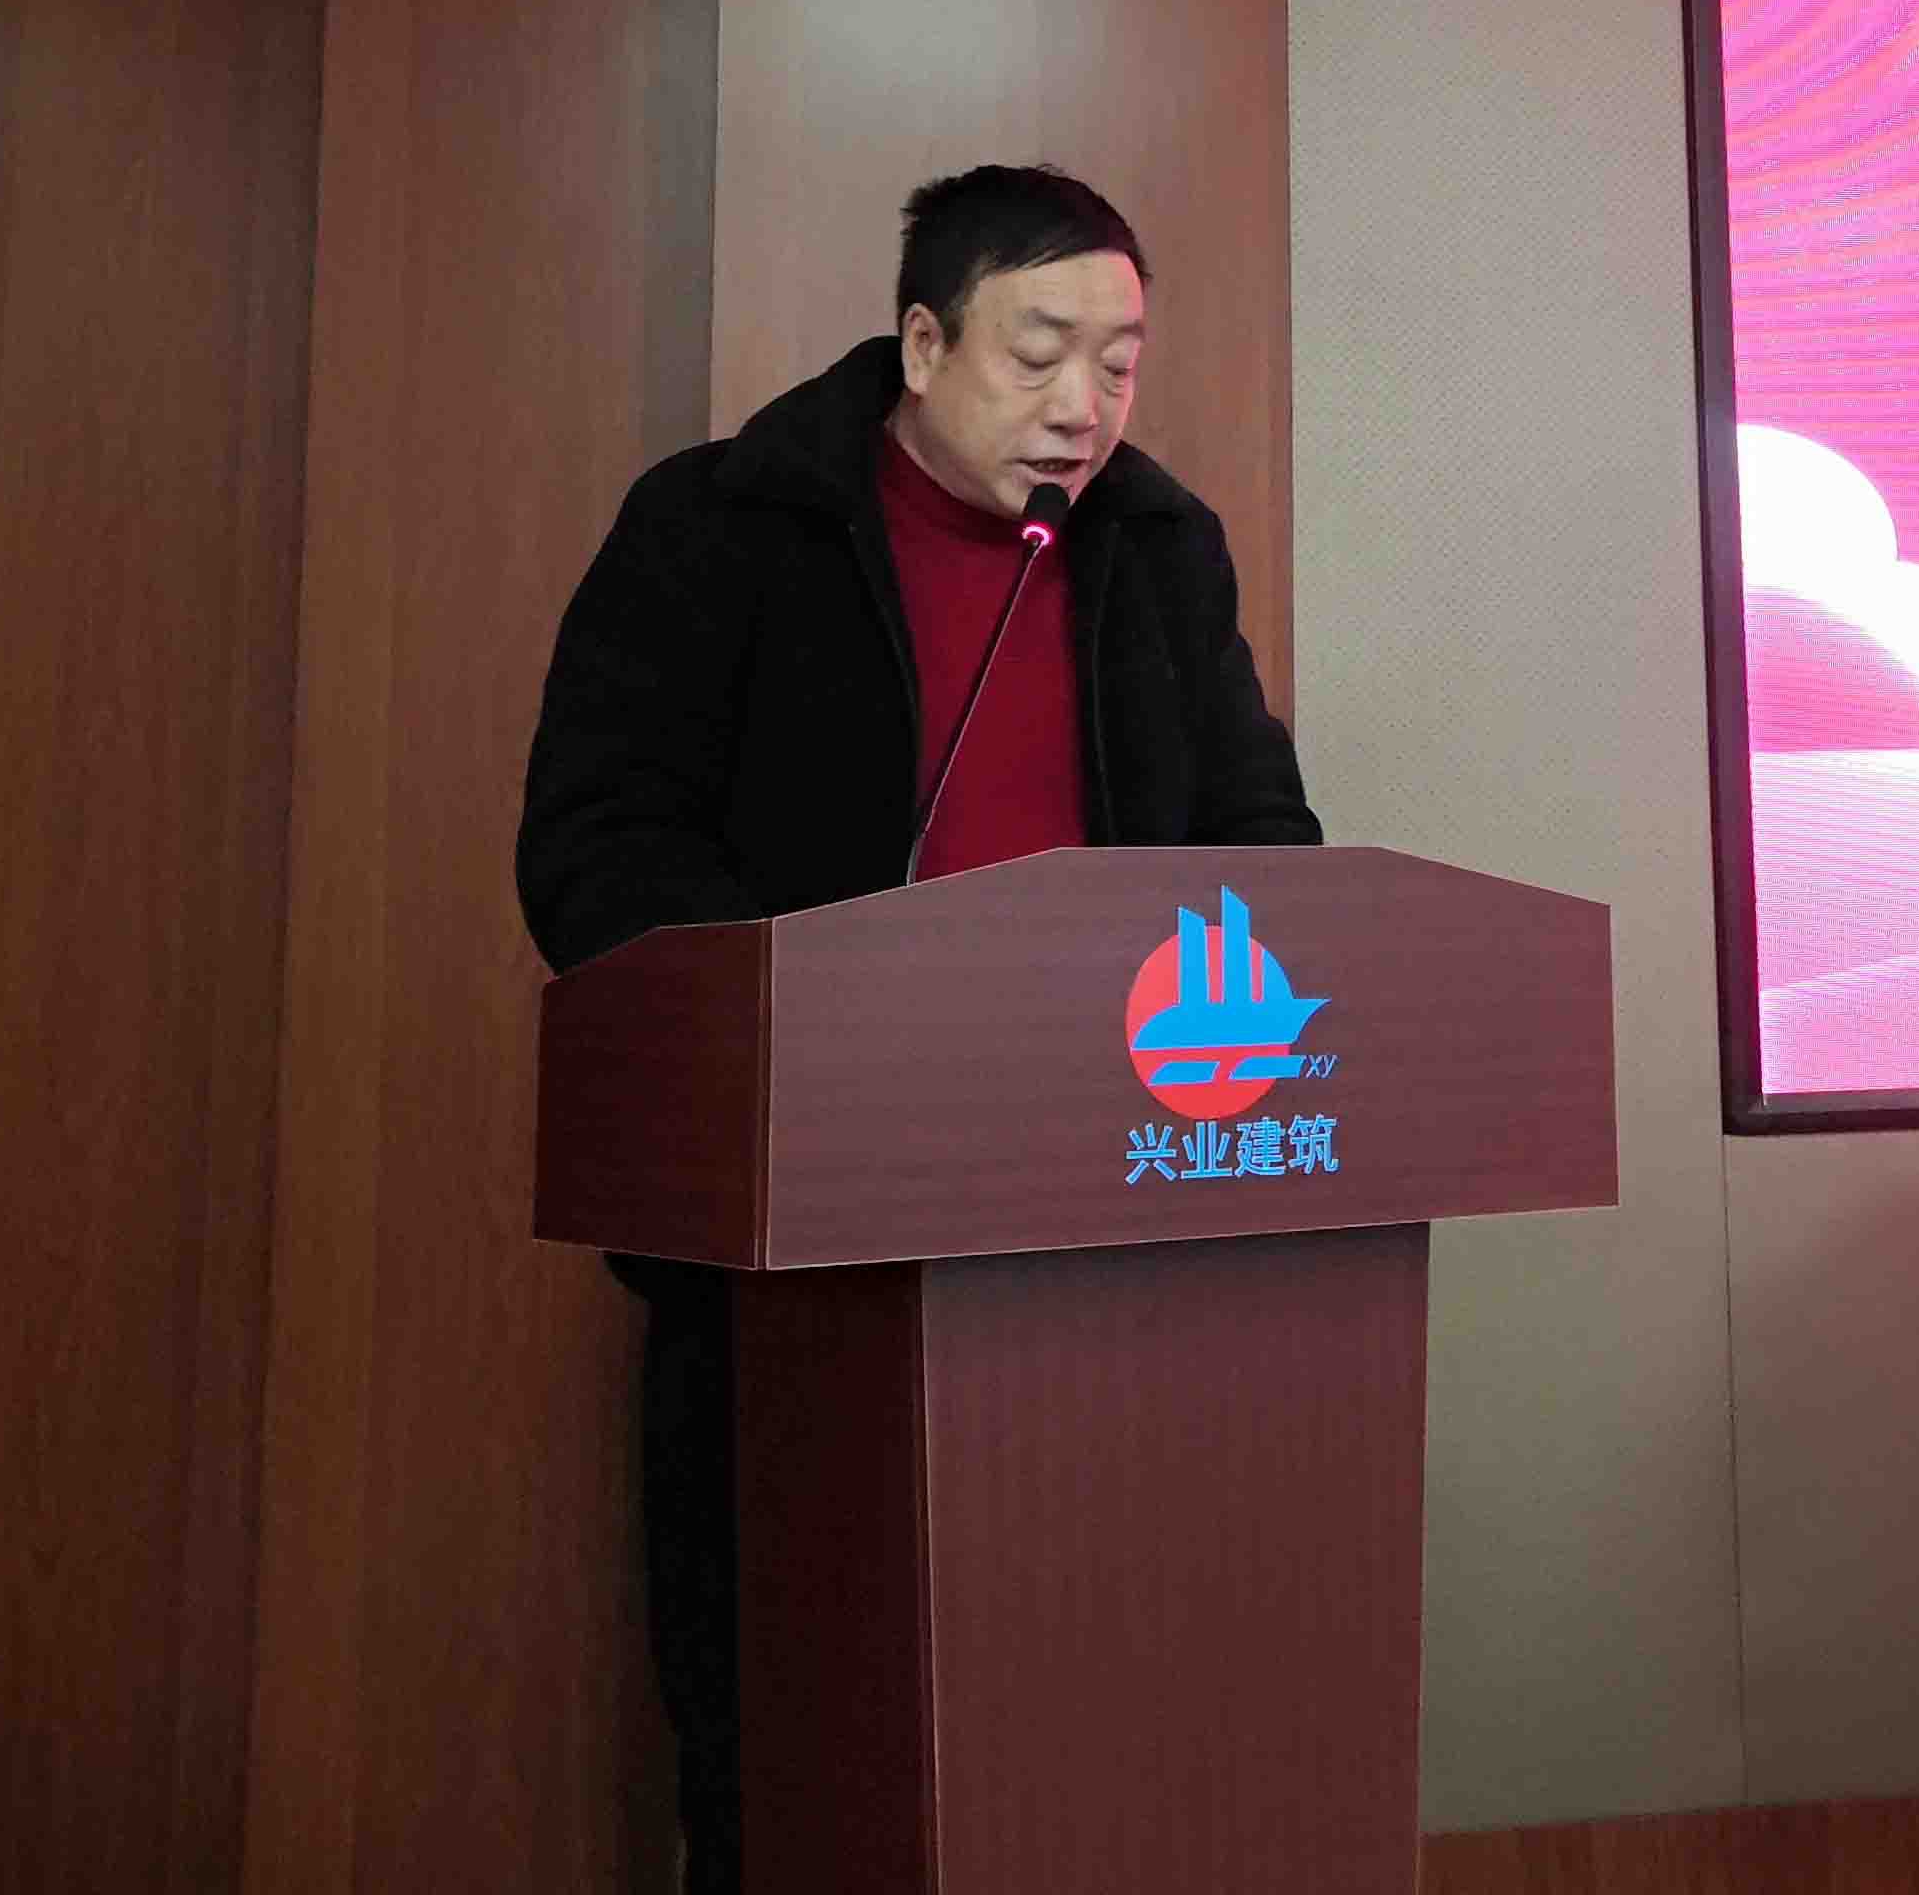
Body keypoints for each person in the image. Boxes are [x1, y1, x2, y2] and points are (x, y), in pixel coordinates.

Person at [514, 163, 1317, 1895]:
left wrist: (1270, 967)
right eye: (1039, 352)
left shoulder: (1159, 553)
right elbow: (597, 846)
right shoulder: (725, 526)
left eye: (1119, 363)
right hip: (798, 1263)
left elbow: (1260, 840)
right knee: (801, 1767)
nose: (1084, 403)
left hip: (1111, 1253)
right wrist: (826, 1012)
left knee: (1087, 1763)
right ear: (924, 342)